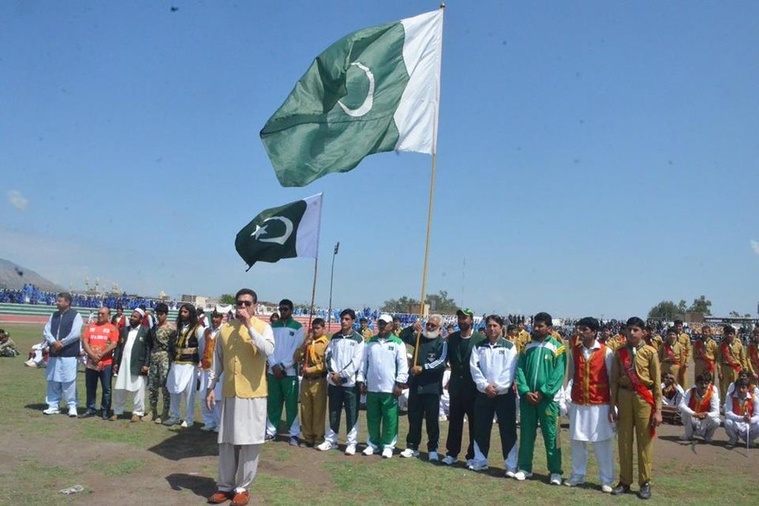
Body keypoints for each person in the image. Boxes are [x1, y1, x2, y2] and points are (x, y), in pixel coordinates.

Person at [206, 288, 274, 506]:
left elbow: (267, 351)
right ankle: (225, 486)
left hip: (253, 394)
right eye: (239, 303)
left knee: (249, 442)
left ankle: (243, 487)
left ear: (255, 306)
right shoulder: (225, 329)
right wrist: (211, 386)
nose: (242, 307)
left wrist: (249, 326)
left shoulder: (263, 327)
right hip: (230, 392)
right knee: (227, 441)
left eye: (247, 303)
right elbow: (217, 361)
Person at [609, 316, 662, 500]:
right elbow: (614, 380)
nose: (631, 333)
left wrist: (658, 410)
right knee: (624, 441)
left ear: (643, 332)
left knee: (644, 441)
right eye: (629, 329)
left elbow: (657, 383)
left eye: (635, 330)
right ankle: (624, 481)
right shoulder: (620, 352)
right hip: (624, 396)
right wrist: (612, 405)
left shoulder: (650, 352)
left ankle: (645, 482)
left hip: (643, 399)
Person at [564, 317, 615, 493]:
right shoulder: (574, 351)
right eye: (579, 329)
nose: (580, 332)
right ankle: (577, 475)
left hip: (600, 404)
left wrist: (613, 405)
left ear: (594, 332)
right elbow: (571, 377)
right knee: (577, 440)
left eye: (584, 329)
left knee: (602, 443)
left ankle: (606, 479)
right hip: (578, 402)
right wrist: (568, 398)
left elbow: (612, 379)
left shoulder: (606, 352)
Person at [515, 312, 566, 485]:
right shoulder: (527, 346)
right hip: (528, 399)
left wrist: (543, 392)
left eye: (540, 326)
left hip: (548, 400)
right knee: (526, 434)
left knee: (551, 436)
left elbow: (558, 373)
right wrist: (525, 390)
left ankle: (555, 471)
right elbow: (520, 369)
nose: (536, 328)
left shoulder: (558, 347)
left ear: (549, 328)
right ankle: (524, 468)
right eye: (535, 325)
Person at [467, 315, 518, 474]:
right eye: (489, 325)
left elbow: (510, 370)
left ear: (501, 327)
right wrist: (485, 386)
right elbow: (474, 368)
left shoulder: (510, 347)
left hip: (504, 395)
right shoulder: (478, 346)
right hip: (484, 394)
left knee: (508, 430)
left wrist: (498, 388)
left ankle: (511, 465)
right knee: (481, 428)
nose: (492, 329)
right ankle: (480, 460)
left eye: (495, 325)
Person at [398, 314, 448, 461]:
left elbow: (441, 363)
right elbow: (402, 336)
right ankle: (412, 446)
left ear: (439, 328)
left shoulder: (442, 343)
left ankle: (432, 448)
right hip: (415, 385)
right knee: (414, 417)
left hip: (431, 387)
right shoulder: (419, 338)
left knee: (432, 420)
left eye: (433, 325)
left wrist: (423, 368)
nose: (430, 327)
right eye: (428, 324)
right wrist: (412, 328)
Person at [359, 313, 409, 459]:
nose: (382, 326)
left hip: (390, 388)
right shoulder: (370, 342)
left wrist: (399, 384)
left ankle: (388, 445)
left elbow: (403, 365)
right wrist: (361, 380)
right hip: (372, 387)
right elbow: (363, 363)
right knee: (372, 417)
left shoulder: (398, 343)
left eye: (385, 323)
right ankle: (373, 444)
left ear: (391, 325)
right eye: (380, 323)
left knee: (390, 418)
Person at [317, 309, 365, 455]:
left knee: (351, 413)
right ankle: (331, 440)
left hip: (350, 383)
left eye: (347, 319)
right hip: (334, 382)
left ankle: (351, 443)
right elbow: (328, 356)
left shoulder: (359, 339)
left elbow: (356, 361)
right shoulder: (335, 337)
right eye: (342, 319)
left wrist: (342, 375)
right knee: (333, 411)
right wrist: (333, 374)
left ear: (353, 321)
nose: (344, 321)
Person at [441, 308, 485, 467]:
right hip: (456, 387)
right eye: (460, 318)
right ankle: (452, 453)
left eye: (465, 318)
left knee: (474, 423)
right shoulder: (452, 338)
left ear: (471, 320)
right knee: (455, 422)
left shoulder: (480, 339)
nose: (462, 321)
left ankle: (472, 456)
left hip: (473, 388)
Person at [266, 299, 305, 444]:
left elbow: (296, 350)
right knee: (273, 403)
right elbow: (268, 348)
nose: (283, 311)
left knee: (291, 404)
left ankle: (294, 434)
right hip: (273, 371)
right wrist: (274, 365)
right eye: (281, 309)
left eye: (286, 309)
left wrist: (282, 366)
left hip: (289, 373)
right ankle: (271, 431)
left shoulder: (298, 327)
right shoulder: (272, 327)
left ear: (291, 310)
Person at [42, 292, 83, 417]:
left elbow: (75, 334)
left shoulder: (76, 315)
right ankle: (53, 405)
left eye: (60, 301)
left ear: (67, 302)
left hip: (68, 354)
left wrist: (62, 343)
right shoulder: (53, 315)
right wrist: (54, 342)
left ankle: (72, 406)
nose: (57, 303)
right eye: (57, 300)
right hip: (54, 354)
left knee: (68, 381)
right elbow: (46, 331)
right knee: (53, 380)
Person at [164, 303, 204, 427]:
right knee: (173, 390)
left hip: (190, 365)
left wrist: (200, 361)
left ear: (191, 313)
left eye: (185, 312)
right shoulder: (178, 327)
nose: (182, 314)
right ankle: (174, 416)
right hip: (176, 364)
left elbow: (202, 346)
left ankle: (188, 419)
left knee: (189, 393)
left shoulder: (198, 329)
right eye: (181, 312)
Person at [294, 318, 329, 448]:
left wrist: (312, 369)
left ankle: (319, 437)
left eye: (318, 328)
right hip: (305, 381)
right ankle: (308, 437)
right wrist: (304, 345)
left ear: (323, 328)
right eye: (313, 328)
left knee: (318, 411)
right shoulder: (307, 341)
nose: (315, 330)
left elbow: (326, 364)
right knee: (305, 409)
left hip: (319, 380)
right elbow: (296, 357)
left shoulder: (326, 344)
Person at [113, 308, 151, 422]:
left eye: (135, 317)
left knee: (138, 389)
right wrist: (116, 362)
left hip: (138, 364)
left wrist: (146, 364)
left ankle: (137, 413)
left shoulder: (146, 331)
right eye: (131, 316)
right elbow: (119, 347)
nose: (132, 318)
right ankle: (117, 411)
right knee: (120, 388)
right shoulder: (124, 330)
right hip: (124, 364)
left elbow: (148, 349)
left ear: (141, 319)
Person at [80, 307, 119, 419]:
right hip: (91, 362)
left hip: (106, 363)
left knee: (106, 388)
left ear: (108, 315)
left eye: (102, 314)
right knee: (90, 387)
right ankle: (90, 409)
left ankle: (105, 410)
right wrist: (92, 354)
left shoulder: (112, 328)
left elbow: (114, 344)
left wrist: (101, 354)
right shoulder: (90, 327)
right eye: (98, 313)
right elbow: (85, 341)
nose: (100, 315)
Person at [147, 302, 175, 424]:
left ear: (166, 314)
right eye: (157, 314)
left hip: (165, 358)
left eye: (161, 314)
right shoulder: (154, 328)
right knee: (152, 386)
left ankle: (165, 412)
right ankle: (152, 411)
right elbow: (150, 344)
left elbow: (173, 346)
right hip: (154, 358)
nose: (159, 316)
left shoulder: (171, 329)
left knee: (165, 386)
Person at [198, 308, 224, 432]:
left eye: (217, 317)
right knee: (203, 395)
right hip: (206, 367)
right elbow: (202, 347)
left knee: (217, 398)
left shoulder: (224, 331)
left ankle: (219, 424)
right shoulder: (206, 331)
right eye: (213, 316)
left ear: (221, 318)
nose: (214, 319)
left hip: (218, 369)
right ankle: (209, 422)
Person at [678, 372, 719, 443]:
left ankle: (708, 436)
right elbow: (681, 405)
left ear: (709, 384)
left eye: (706, 383)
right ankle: (688, 435)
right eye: (701, 383)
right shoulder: (690, 391)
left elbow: (716, 412)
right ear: (696, 383)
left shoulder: (713, 395)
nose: (703, 386)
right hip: (692, 418)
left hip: (704, 419)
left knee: (716, 421)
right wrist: (694, 414)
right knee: (684, 413)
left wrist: (706, 414)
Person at [723, 378, 759, 448]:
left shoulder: (754, 398)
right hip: (736, 422)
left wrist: (750, 419)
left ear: (748, 388)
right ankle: (733, 438)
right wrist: (742, 419)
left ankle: (749, 439)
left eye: (743, 387)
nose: (740, 390)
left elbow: (758, 415)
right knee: (727, 422)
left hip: (748, 423)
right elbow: (728, 413)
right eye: (738, 387)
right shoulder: (730, 396)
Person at [717, 325, 747, 403]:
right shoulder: (722, 345)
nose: (729, 335)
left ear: (734, 334)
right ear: (725, 334)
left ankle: (735, 404)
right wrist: (719, 371)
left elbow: (743, 358)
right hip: (725, 368)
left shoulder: (739, 345)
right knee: (724, 389)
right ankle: (724, 405)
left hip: (736, 369)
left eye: (731, 334)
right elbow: (719, 360)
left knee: (736, 388)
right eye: (727, 334)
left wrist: (745, 369)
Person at [674, 319, 693, 389]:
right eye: (676, 326)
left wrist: (687, 361)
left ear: (682, 326)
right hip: (674, 359)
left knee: (684, 379)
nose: (678, 328)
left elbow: (689, 350)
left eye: (679, 326)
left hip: (683, 360)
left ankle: (684, 394)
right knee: (675, 379)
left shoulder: (686, 336)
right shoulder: (672, 335)